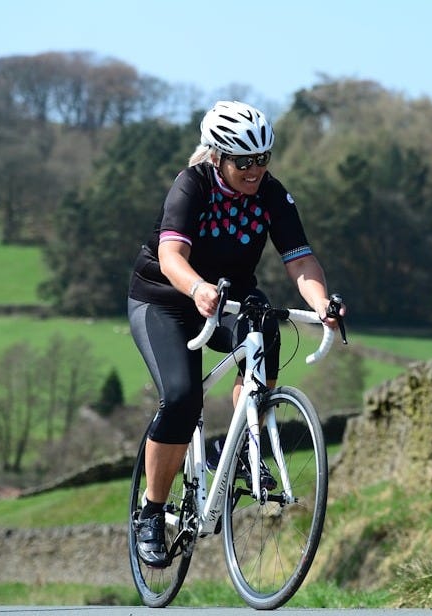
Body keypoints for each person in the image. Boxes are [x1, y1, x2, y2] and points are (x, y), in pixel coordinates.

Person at [127, 101, 343, 568]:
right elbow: (171, 257)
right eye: (243, 161)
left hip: (231, 299)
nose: (255, 170)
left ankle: (239, 442)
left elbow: (301, 260)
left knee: (265, 328)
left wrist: (321, 302)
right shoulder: (192, 186)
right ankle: (151, 510)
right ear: (217, 156)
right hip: (164, 299)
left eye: (263, 159)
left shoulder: (272, 195)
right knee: (183, 398)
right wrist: (197, 287)